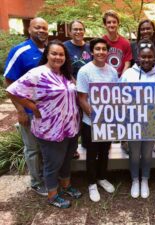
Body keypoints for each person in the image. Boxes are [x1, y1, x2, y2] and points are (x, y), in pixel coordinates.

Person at [6, 40, 82, 208]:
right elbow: (12, 90)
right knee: (52, 163)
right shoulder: (38, 73)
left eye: (61, 54)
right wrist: (32, 107)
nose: (58, 57)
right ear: (47, 54)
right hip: (50, 128)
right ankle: (52, 195)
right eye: (54, 53)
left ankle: (66, 186)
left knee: (67, 159)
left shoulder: (65, 73)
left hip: (70, 126)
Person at [4, 17, 49, 196]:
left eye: (44, 28)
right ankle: (37, 182)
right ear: (29, 29)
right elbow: (9, 82)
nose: (41, 31)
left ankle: (48, 178)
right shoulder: (20, 51)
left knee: (46, 146)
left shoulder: (49, 50)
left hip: (47, 112)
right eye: (37, 27)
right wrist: (20, 110)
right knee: (32, 148)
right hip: (29, 111)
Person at [121, 39, 155, 199]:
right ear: (138, 57)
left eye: (150, 57)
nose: (146, 60)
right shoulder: (128, 74)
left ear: (154, 57)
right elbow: (120, 98)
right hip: (133, 122)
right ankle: (135, 180)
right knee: (134, 153)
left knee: (147, 153)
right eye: (143, 57)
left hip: (151, 123)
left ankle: (145, 179)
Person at [77, 38, 118, 202]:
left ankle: (102, 177)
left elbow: (116, 96)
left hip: (108, 121)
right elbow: (82, 99)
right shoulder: (85, 71)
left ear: (107, 52)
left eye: (104, 49)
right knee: (91, 153)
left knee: (104, 151)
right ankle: (92, 183)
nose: (101, 52)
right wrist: (96, 117)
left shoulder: (113, 71)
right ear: (92, 51)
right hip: (91, 122)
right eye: (97, 49)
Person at [131, 19, 155, 153]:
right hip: (137, 87)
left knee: (152, 115)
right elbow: (131, 66)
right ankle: (130, 140)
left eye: (148, 28)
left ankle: (154, 139)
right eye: (143, 29)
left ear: (153, 30)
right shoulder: (133, 46)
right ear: (139, 31)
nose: (146, 31)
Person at [64, 20, 92, 158]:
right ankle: (73, 148)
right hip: (71, 88)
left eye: (81, 29)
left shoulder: (88, 47)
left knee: (87, 116)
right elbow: (63, 68)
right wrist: (75, 83)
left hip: (88, 90)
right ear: (70, 31)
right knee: (74, 118)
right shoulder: (65, 47)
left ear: (84, 30)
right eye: (75, 29)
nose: (78, 32)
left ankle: (87, 144)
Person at [102, 10, 132, 77]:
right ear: (105, 25)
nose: (112, 25)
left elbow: (127, 64)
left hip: (120, 79)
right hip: (104, 78)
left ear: (118, 24)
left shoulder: (125, 43)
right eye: (109, 22)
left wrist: (122, 80)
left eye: (114, 22)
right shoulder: (101, 42)